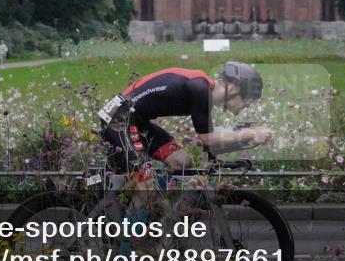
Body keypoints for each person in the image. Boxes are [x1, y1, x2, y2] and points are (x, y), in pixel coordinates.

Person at [97, 61, 273, 183]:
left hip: (134, 120)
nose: (246, 107)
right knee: (146, 188)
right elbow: (207, 139)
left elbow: (210, 142)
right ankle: (130, 237)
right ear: (233, 89)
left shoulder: (203, 90)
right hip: (119, 119)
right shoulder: (200, 88)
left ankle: (150, 205)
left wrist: (242, 138)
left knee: (182, 162)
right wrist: (250, 133)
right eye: (247, 101)